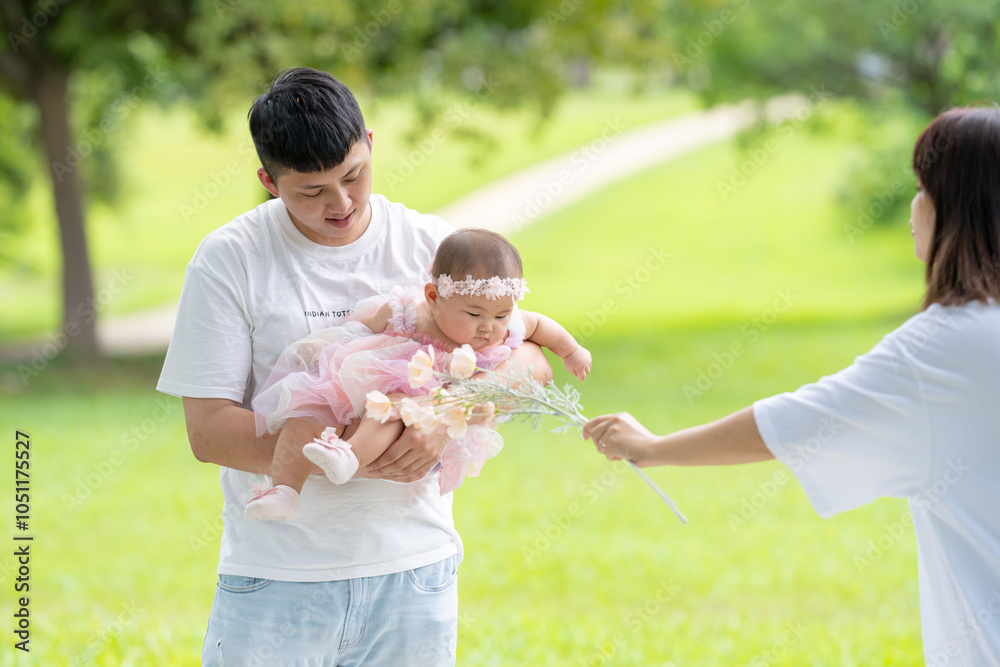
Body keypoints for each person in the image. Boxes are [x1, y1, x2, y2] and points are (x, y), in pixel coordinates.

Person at [157, 67, 552, 666]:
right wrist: (355, 458)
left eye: (353, 175)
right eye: (311, 191)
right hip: (277, 578)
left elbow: (528, 357)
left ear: (369, 142)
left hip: (413, 572)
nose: (340, 203)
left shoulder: (432, 244)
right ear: (268, 181)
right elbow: (208, 432)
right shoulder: (229, 259)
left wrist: (446, 413)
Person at [583, 105, 1000, 666]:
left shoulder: (939, 351)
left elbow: (793, 423)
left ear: (958, 207)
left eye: (923, 187)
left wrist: (652, 448)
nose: (913, 205)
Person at [246, 228, 592, 521]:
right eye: (474, 313)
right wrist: (319, 345)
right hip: (373, 372)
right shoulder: (408, 309)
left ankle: (349, 455)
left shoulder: (509, 323)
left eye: (501, 315)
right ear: (434, 296)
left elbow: (542, 328)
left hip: (418, 399)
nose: (489, 327)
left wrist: (572, 351)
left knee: (388, 411)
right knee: (310, 409)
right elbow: (359, 327)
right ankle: (285, 490)